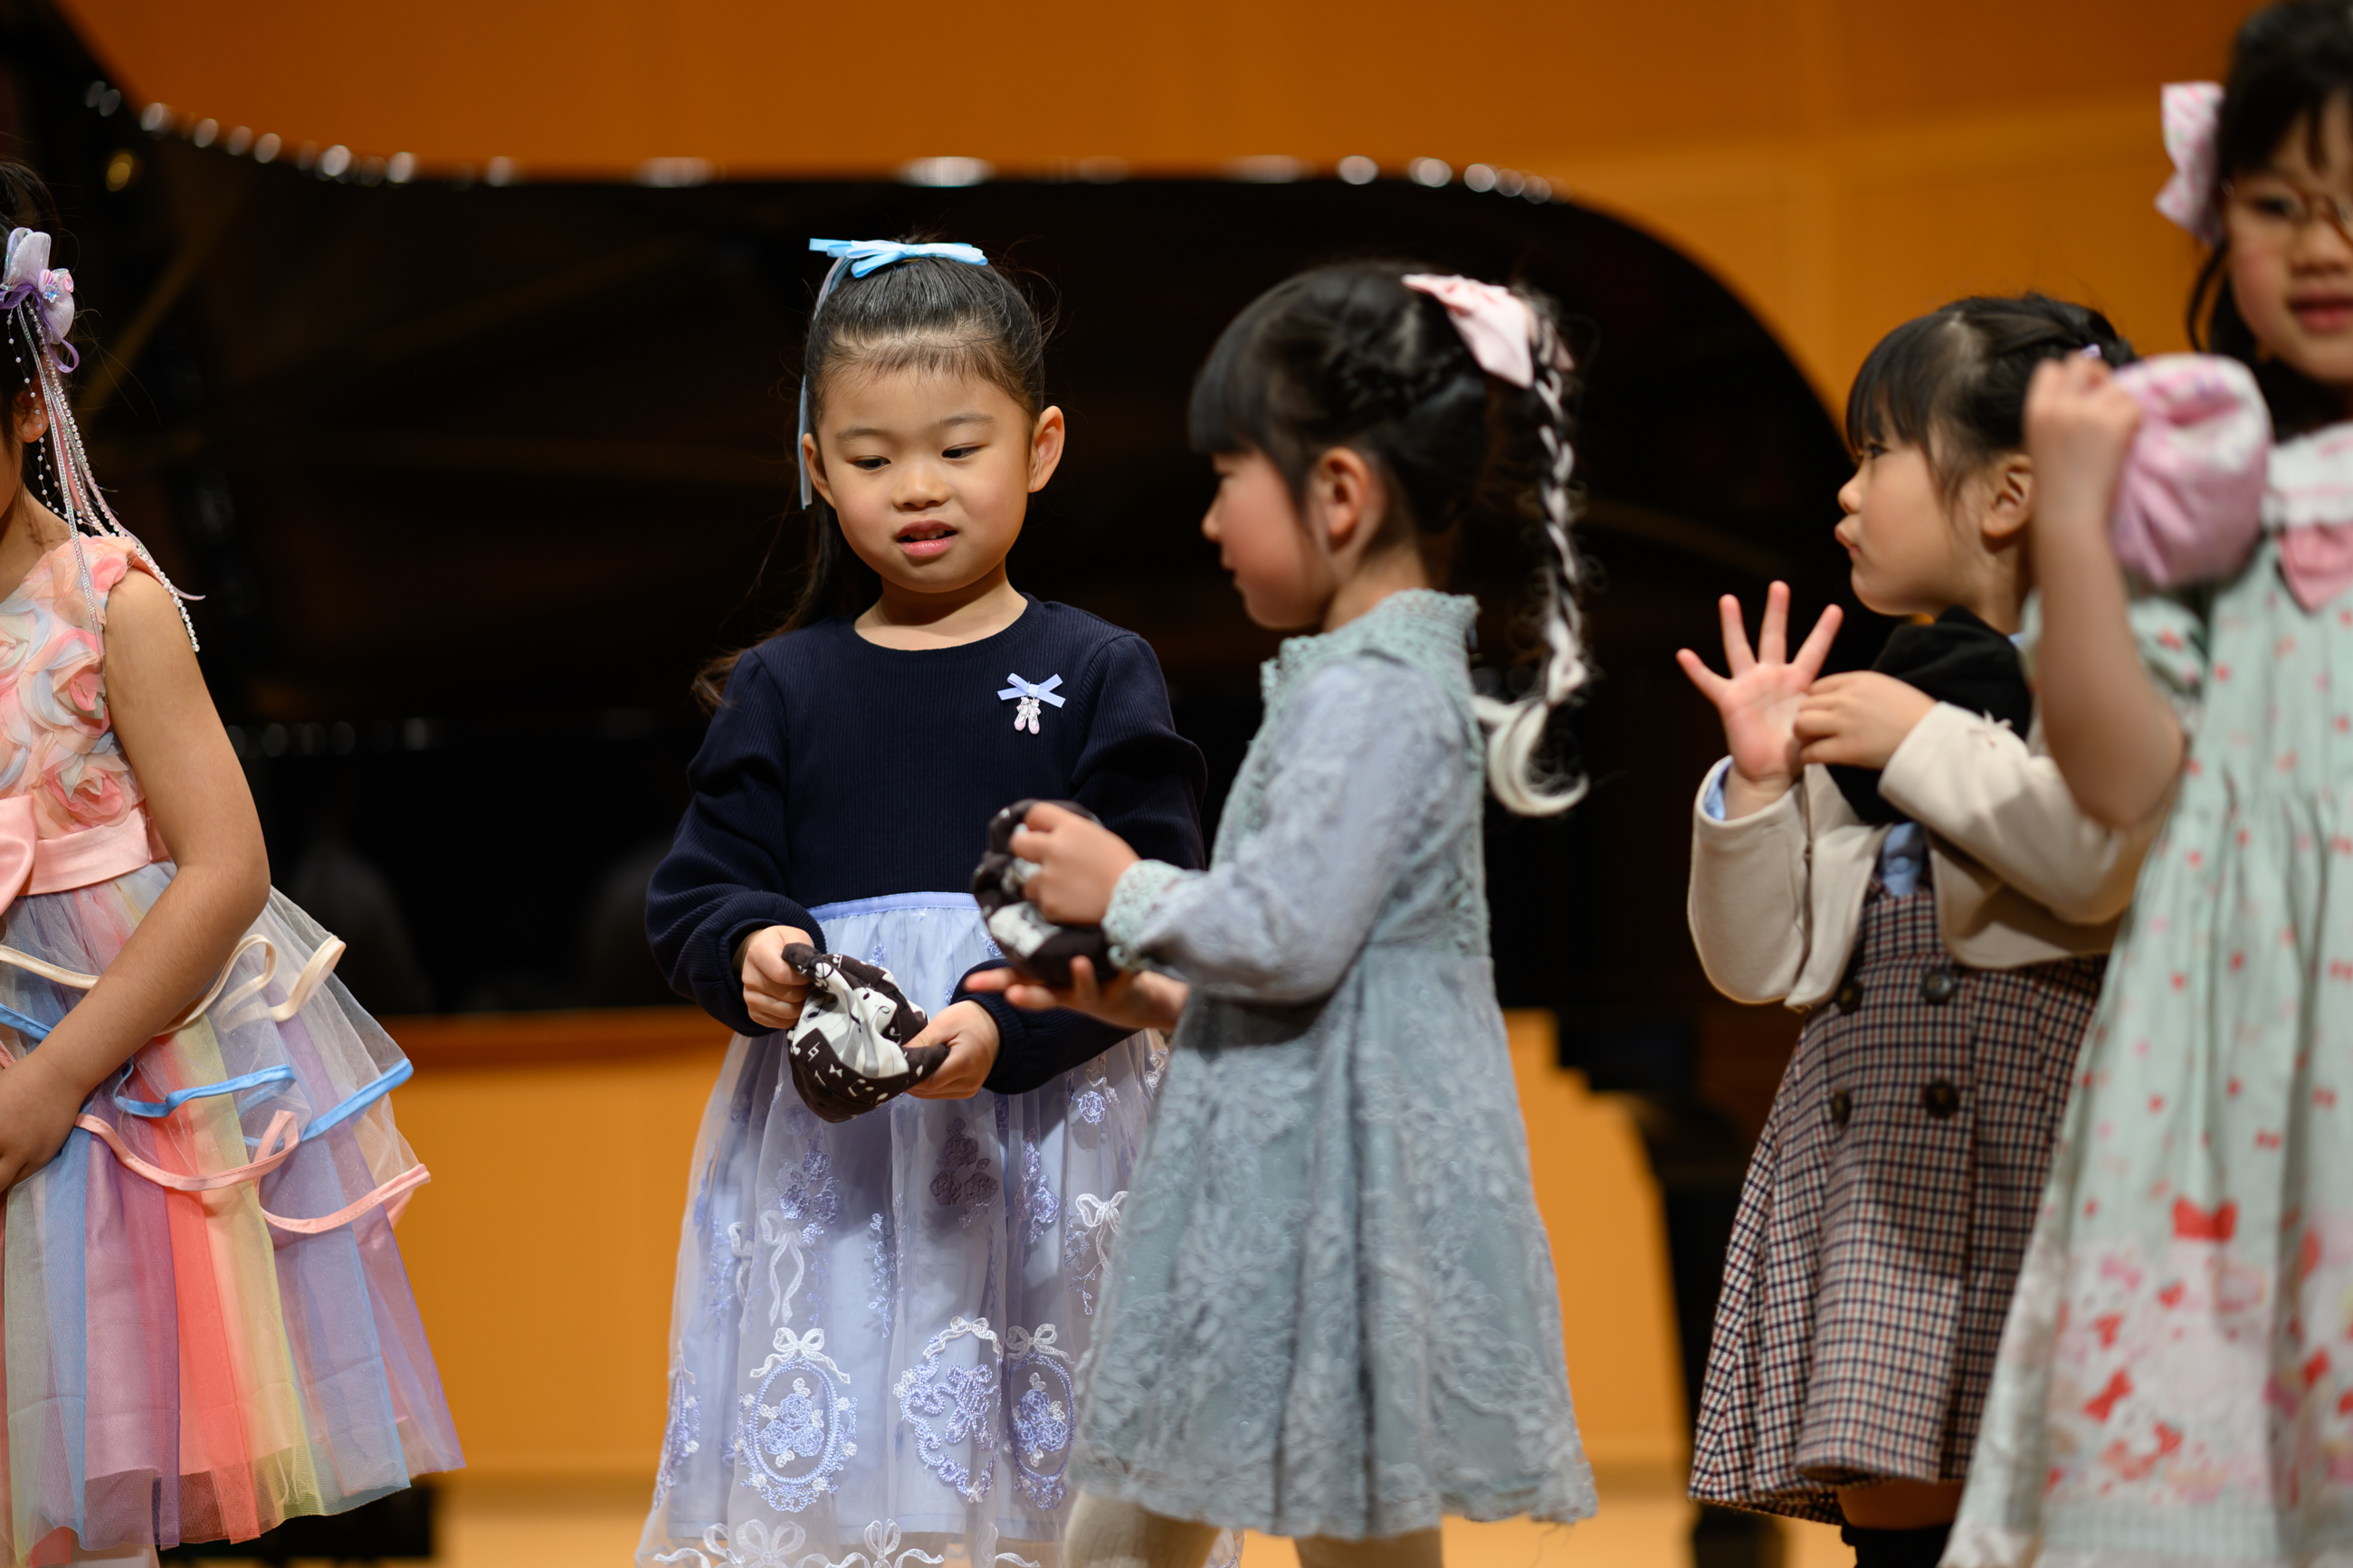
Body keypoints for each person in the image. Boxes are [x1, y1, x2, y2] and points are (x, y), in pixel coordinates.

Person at [972, 263, 1597, 1568]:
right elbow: (1322, 974)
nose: (1207, 519)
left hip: (1325, 1207)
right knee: (1149, 1522)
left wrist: (1121, 886)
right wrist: (1140, 993)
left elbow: (1293, 931)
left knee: (1306, 1531)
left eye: (1227, 476)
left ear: (1341, 495)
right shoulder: (1367, 676)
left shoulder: (1376, 689)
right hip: (1276, 1180)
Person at [639, 239, 1205, 1568]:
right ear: (815, 463)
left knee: (1059, 1481)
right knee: (852, 1479)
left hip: (1054, 1135)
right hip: (839, 1170)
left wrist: (1006, 1028)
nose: (920, 489)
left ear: (1043, 443)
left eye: (960, 446)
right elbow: (697, 890)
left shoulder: (1097, 668)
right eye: (874, 457)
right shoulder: (785, 685)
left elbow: (1150, 901)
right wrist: (757, 950)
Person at [1672, 296, 2181, 1568]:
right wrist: (1756, 789)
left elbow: (2095, 859)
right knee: (1896, 1526)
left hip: (2038, 1155)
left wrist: (1920, 738)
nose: (1845, 494)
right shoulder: (1893, 682)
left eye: (1877, 454)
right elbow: (1754, 961)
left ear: (2009, 493)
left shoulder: (2112, 667)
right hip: (1877, 1173)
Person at [0, 168, 460, 1565]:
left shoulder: (104, 603)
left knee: (83, 1480)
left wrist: (53, 1077)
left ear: (26, 404)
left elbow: (223, 867)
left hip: (104, 1094)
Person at [1948, 8, 2353, 1562]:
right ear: (2217, 213)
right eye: (2279, 202)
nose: (2323, 245)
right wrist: (2080, 529)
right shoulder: (2201, 491)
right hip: (2228, 1054)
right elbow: (2118, 776)